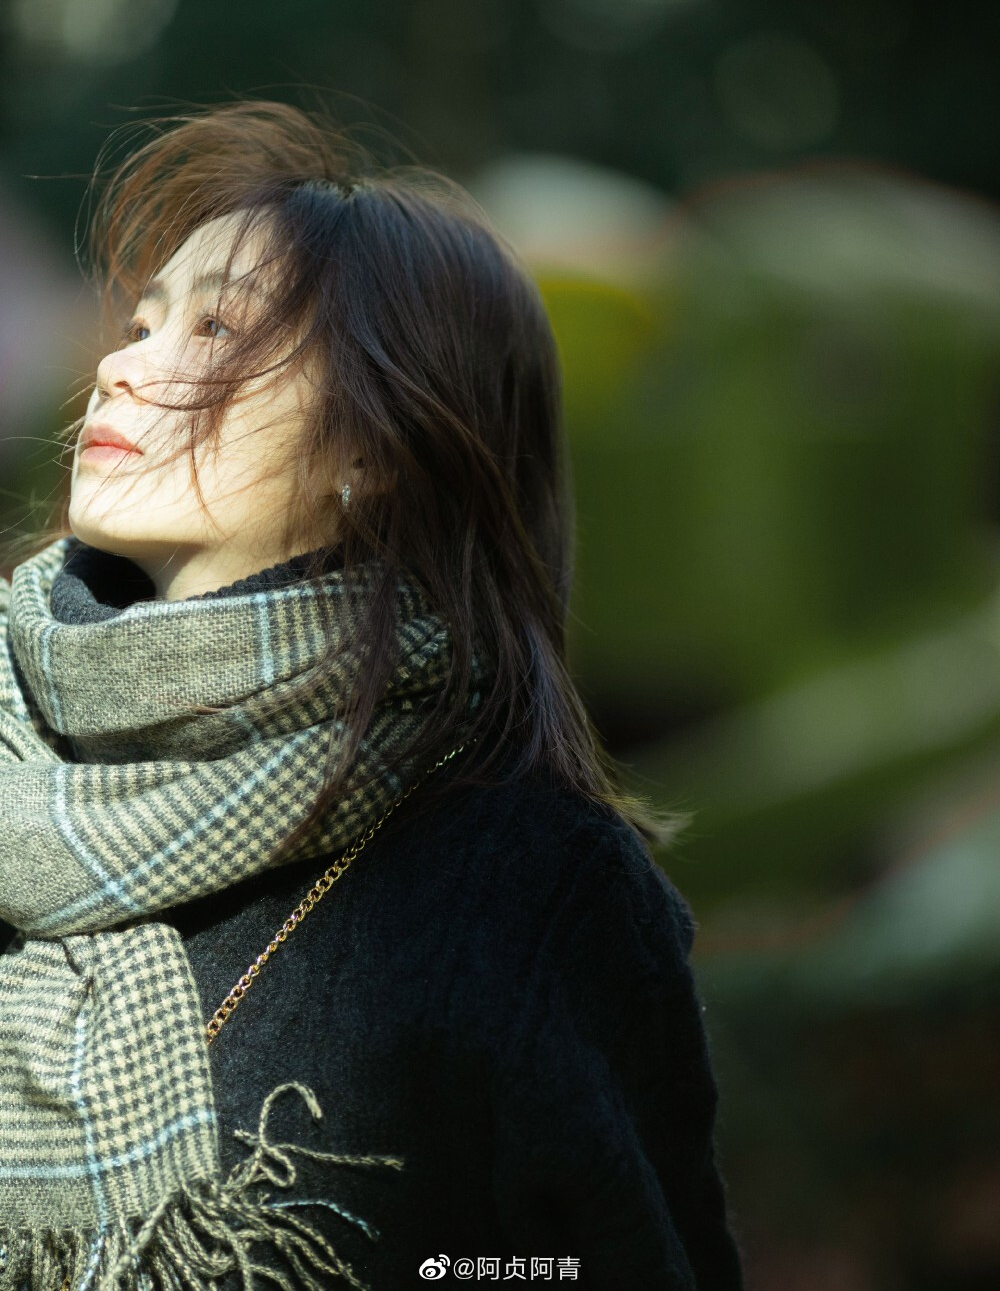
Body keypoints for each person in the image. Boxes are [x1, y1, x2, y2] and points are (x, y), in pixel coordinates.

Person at [0, 100, 747, 1291]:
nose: (122, 366)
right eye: (142, 323)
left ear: (372, 449)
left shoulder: (523, 879)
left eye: (217, 330)